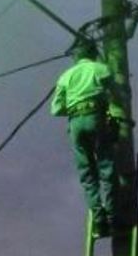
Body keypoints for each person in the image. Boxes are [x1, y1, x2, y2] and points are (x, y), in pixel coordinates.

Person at [51, 39, 119, 236]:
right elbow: (115, 94)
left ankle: (99, 220)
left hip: (75, 124)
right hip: (96, 118)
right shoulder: (99, 69)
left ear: (76, 56)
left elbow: (55, 109)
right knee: (106, 166)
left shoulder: (65, 76)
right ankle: (113, 216)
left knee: (87, 174)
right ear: (93, 53)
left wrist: (74, 106)